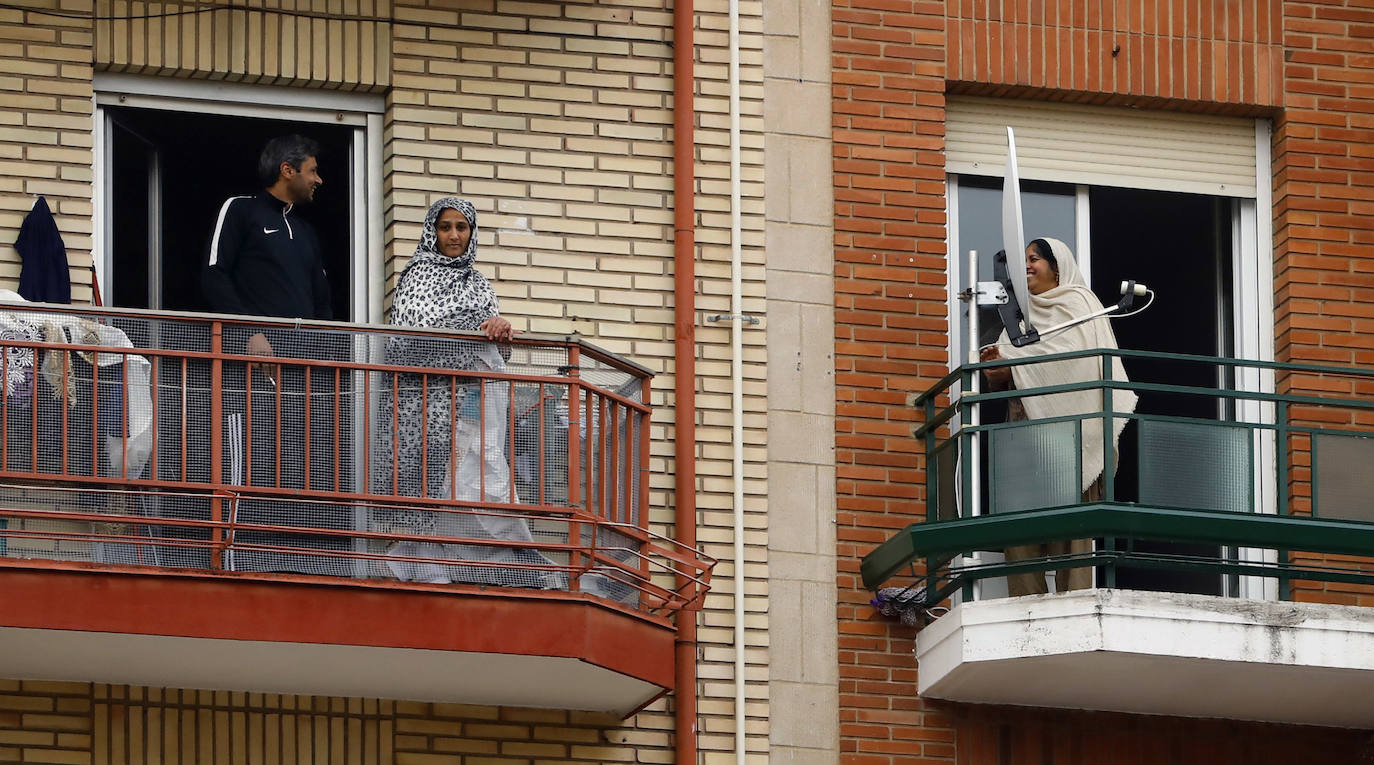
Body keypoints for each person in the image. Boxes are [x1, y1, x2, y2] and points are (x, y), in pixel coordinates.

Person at [377, 197, 558, 588]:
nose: (454, 235)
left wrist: (497, 328)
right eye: (445, 227)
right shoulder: (416, 276)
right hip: (420, 405)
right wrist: (468, 332)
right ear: (433, 232)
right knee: (426, 486)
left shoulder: (477, 283)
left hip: (468, 407)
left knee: (480, 481)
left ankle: (497, 566)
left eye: (462, 227)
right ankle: (423, 570)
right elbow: (405, 344)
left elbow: (494, 354)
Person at [201, 135, 342, 575]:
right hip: (248, 371)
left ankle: (289, 557)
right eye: (313, 170)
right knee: (247, 460)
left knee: (297, 461)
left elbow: (322, 303)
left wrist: (319, 354)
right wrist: (250, 332)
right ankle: (234, 556)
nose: (319, 179)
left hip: (300, 376)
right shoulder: (240, 209)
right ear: (288, 169)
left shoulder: (306, 231)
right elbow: (212, 276)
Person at [980, 237, 1138, 596]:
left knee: (1074, 535)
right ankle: (1026, 611)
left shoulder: (1081, 303)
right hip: (1024, 442)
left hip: (1071, 439)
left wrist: (1016, 365)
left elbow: (1077, 363)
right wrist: (998, 371)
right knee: (1019, 534)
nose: (1027, 267)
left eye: (1034, 259)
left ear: (1057, 266)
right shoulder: (1020, 317)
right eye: (1023, 261)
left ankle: (1077, 604)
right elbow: (1010, 374)